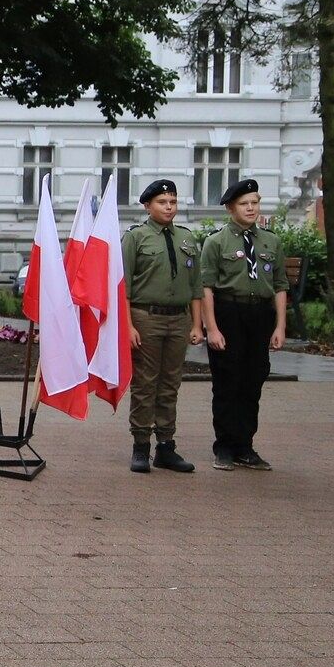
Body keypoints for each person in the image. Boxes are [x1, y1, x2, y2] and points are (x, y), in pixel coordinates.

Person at [199, 178, 286, 471]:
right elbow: (207, 287)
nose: (251, 208)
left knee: (253, 381)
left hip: (259, 315)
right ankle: (224, 446)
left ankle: (245, 446)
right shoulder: (216, 242)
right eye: (244, 204)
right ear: (230, 208)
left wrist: (280, 326)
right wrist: (211, 327)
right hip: (229, 314)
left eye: (255, 202)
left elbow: (280, 285)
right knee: (227, 381)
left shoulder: (270, 241)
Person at [121, 178, 202, 474]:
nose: (169, 207)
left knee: (170, 384)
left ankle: (166, 446)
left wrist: (197, 324)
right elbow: (124, 287)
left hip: (179, 319)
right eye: (162, 202)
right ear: (147, 206)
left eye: (173, 202)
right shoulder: (136, 238)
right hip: (146, 318)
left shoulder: (187, 238)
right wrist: (128, 326)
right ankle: (140, 445)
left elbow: (196, 286)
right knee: (145, 383)